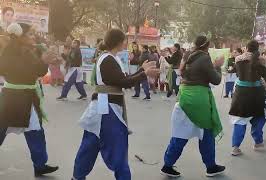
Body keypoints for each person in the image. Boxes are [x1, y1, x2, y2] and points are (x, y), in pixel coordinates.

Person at [71, 29, 158, 180]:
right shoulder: (108, 59)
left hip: (104, 107)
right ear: (118, 41)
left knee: (90, 145)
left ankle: (78, 176)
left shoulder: (110, 58)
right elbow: (122, 82)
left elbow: (122, 79)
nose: (126, 43)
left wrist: (141, 71)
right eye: (124, 40)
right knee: (116, 147)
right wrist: (144, 74)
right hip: (107, 109)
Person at [161, 36, 225, 178]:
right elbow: (216, 79)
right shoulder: (204, 57)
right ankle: (211, 166)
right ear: (206, 46)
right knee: (206, 134)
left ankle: (167, 165)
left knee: (180, 134)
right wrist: (218, 66)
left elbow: (184, 72)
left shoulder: (187, 55)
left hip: (184, 97)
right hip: (199, 100)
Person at [0, 23, 58, 177]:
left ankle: (40, 164)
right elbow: (22, 71)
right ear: (21, 37)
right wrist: (43, 61)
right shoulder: (10, 52)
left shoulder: (28, 51)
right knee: (2, 130)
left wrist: (46, 60)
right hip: (13, 99)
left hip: (26, 97)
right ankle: (40, 164)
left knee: (35, 130)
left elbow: (37, 70)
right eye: (30, 34)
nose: (34, 37)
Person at [229, 40, 266, 156]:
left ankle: (235, 147)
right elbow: (265, 74)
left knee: (240, 120)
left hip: (241, 92)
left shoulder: (238, 59)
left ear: (246, 48)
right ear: (257, 49)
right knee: (259, 117)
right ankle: (258, 142)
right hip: (256, 92)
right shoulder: (261, 60)